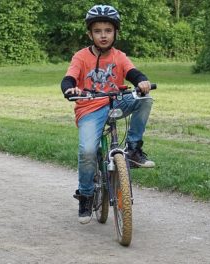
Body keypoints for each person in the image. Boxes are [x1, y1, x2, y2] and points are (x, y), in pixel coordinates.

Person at [60, 4, 155, 224]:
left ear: (115, 32)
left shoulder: (119, 56)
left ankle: (133, 149)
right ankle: (85, 194)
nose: (103, 35)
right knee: (88, 151)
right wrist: (69, 89)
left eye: (108, 31)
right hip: (90, 107)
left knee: (145, 99)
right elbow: (69, 79)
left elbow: (133, 73)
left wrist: (141, 81)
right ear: (90, 33)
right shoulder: (81, 57)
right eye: (98, 31)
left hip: (116, 102)